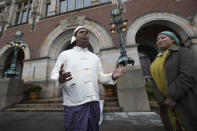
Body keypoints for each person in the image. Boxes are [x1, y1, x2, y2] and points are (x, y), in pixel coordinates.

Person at [51, 26, 127, 131]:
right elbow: (54, 74)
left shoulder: (94, 57)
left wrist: (112, 76)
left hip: (94, 103)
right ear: (75, 37)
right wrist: (60, 79)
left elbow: (100, 77)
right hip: (74, 104)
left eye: (86, 33)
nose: (85, 34)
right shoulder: (65, 55)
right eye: (81, 32)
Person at [150, 31, 197, 131]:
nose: (159, 40)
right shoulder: (155, 61)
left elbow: (188, 75)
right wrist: (161, 100)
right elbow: (154, 82)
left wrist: (172, 97)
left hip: (185, 99)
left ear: (172, 40)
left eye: (163, 38)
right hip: (166, 104)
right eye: (158, 39)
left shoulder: (183, 52)